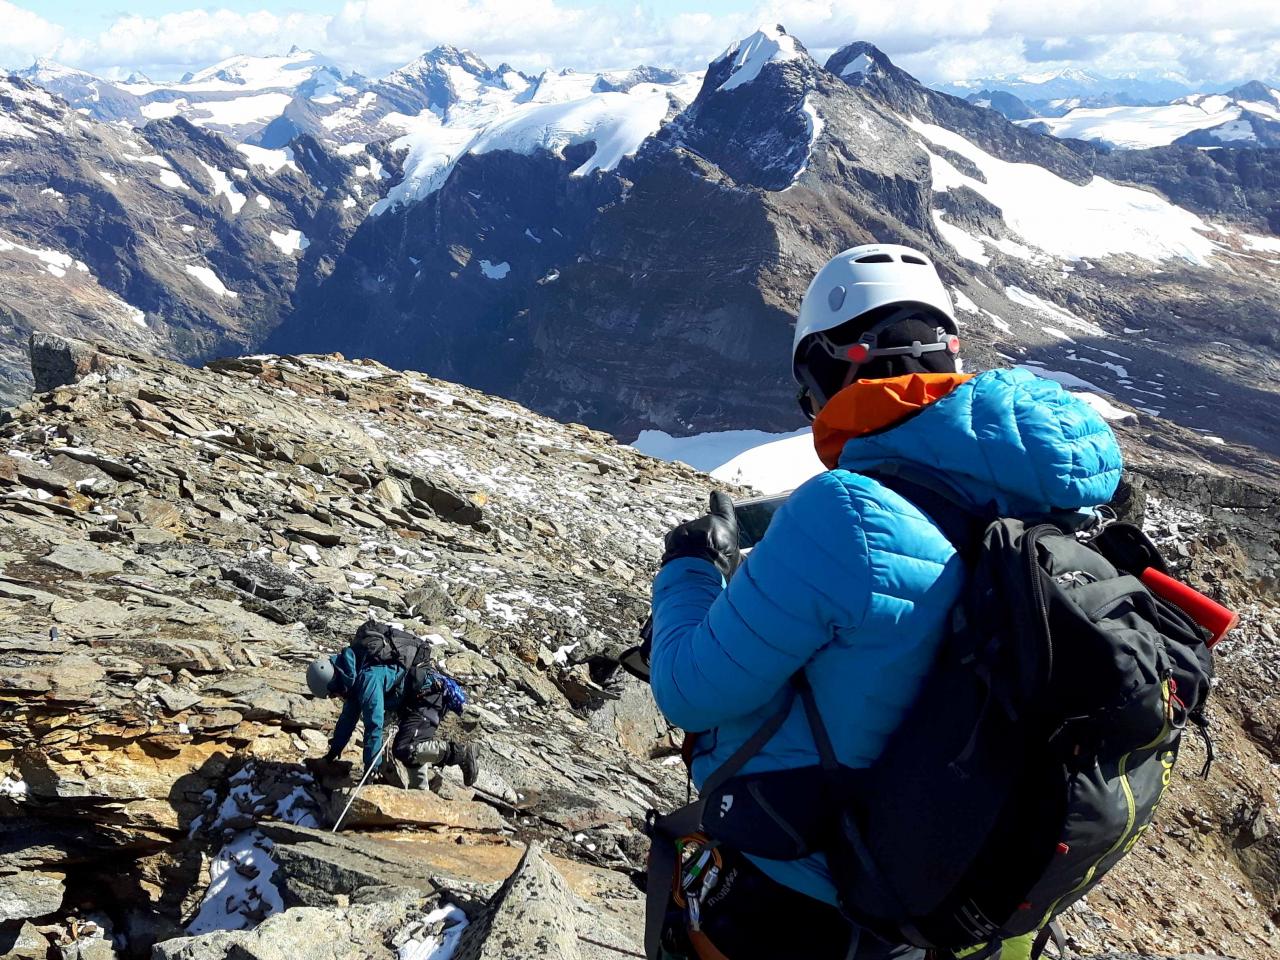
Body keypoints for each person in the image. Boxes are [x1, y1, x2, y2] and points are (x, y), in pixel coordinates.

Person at [646, 244, 1123, 959]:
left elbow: (687, 691)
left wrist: (688, 566)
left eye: (810, 388)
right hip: (971, 886)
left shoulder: (845, 513)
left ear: (841, 369)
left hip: (819, 892)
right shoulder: (1051, 503)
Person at [306, 631, 480, 789]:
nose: (335, 697)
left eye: (332, 693)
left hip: (428, 696)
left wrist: (372, 766)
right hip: (413, 700)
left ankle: (461, 752)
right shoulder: (352, 677)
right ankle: (420, 797)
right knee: (410, 748)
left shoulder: (368, 678)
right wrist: (333, 752)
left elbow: (374, 724)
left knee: (406, 748)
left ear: (332, 681)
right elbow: (347, 719)